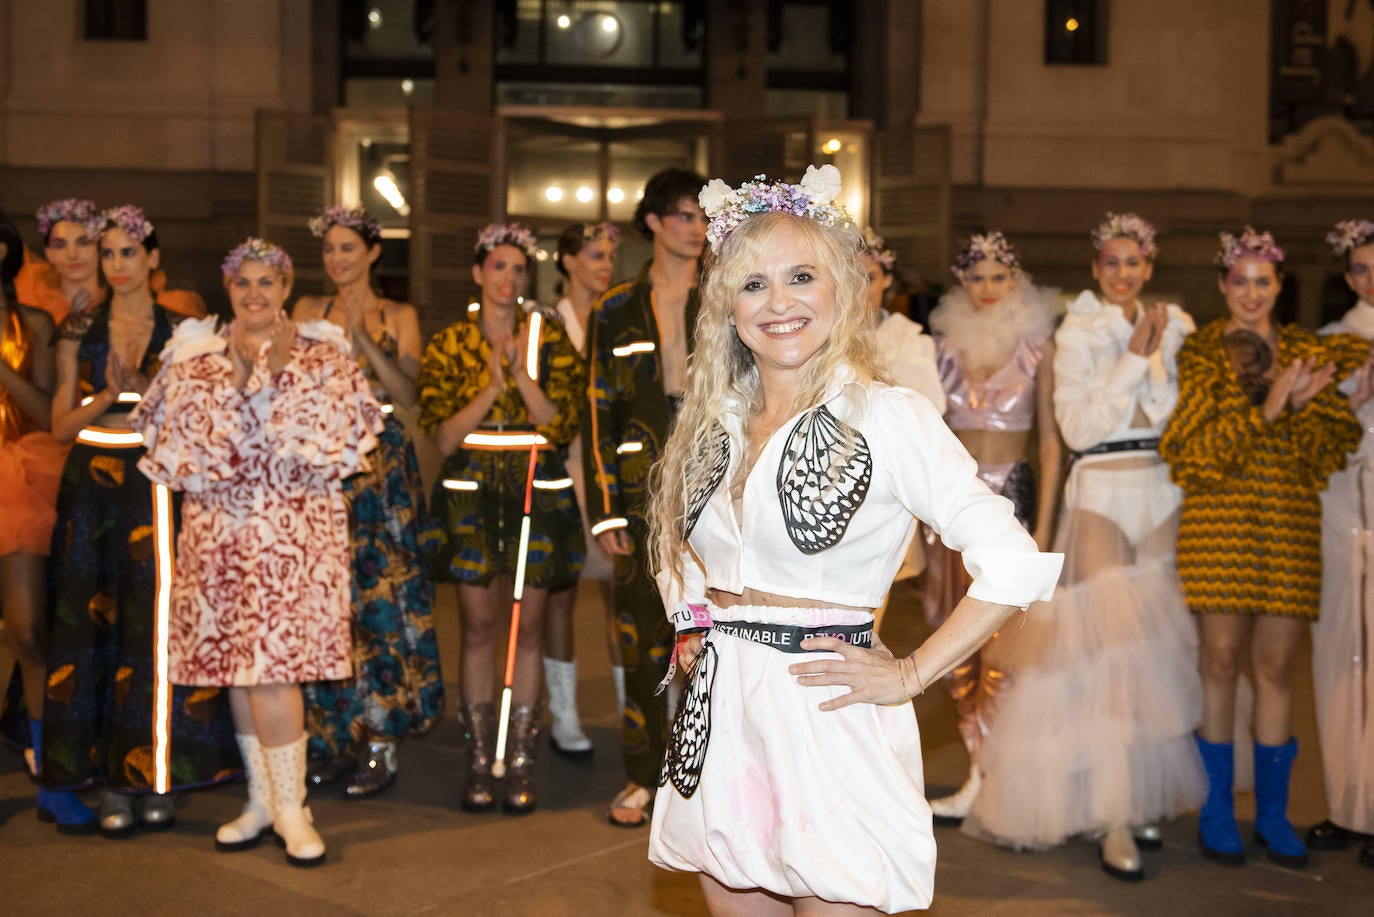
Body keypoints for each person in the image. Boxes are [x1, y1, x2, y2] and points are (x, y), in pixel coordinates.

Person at [645, 165, 1062, 914]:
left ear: (842, 286)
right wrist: (692, 622)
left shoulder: (889, 417)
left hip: (829, 718)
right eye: (752, 283)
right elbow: (678, 545)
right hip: (722, 723)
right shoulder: (713, 422)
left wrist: (910, 673)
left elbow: (1012, 561)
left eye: (800, 276)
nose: (778, 303)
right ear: (726, 307)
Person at [129, 236, 384, 867]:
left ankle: (294, 808)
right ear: (228, 289)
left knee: (274, 672)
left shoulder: (324, 356)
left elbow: (333, 444)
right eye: (242, 283)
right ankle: (263, 802)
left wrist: (265, 383)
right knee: (238, 675)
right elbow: (182, 455)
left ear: (286, 287)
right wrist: (238, 382)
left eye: (266, 282)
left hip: (293, 539)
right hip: (220, 538)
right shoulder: (194, 359)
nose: (254, 294)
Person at [966, 213, 1204, 881]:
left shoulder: (1175, 326)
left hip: (1158, 483)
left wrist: (1152, 354)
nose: (1122, 273)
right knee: (1108, 656)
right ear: (1095, 269)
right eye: (1110, 263)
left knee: (1152, 655)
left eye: (1133, 263)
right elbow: (1079, 425)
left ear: (1149, 268)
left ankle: (1136, 798)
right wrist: (1134, 357)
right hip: (1100, 485)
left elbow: (1167, 415)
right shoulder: (1079, 332)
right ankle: (1114, 816)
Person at [1161, 227, 1368, 870]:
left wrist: (1304, 405)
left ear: (1279, 286)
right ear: (1224, 285)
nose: (1252, 294)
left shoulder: (1309, 348)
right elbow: (1191, 452)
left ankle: (1274, 814)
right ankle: (1219, 810)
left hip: (1288, 522)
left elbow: (1333, 439)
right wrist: (1274, 404)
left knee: (1278, 668)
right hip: (1218, 522)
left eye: (1264, 281)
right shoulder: (1199, 352)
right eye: (1240, 281)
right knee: (1220, 662)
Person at [42, 205, 235, 838]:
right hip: (93, 490)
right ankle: (102, 783)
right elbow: (60, 425)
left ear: (153, 259)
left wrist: (152, 391)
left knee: (154, 632)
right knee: (88, 629)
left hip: (155, 489)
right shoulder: (79, 327)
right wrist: (105, 396)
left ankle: (154, 777)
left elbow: (203, 421)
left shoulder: (186, 331)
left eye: (130, 253)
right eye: (109, 254)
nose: (117, 265)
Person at [418, 223, 585, 814]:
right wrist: (490, 388)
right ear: (478, 273)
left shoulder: (549, 337)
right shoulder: (449, 343)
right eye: (498, 267)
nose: (508, 279)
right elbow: (441, 434)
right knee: (479, 626)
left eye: (518, 270)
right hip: (470, 490)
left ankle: (518, 759)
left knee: (528, 629)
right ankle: (477, 758)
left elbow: (562, 423)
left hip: (535, 488)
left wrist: (518, 376)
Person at [293, 206, 444, 797]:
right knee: (325, 601)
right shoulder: (306, 311)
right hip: (322, 463)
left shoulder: (399, 314)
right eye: (329, 250)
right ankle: (331, 737)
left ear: (372, 253)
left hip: (381, 463)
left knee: (380, 597)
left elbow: (408, 392)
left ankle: (381, 737)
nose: (337, 260)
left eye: (348, 249)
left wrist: (362, 344)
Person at [920, 231, 1060, 823]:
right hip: (951, 511)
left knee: (1003, 647)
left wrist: (1047, 528)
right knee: (952, 640)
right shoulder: (941, 347)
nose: (985, 289)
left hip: (1014, 505)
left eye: (997, 277)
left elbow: (1052, 444)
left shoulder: (1039, 348)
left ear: (1016, 281)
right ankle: (979, 763)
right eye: (974, 277)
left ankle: (990, 777)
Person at [584, 167, 707, 827]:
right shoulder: (615, 308)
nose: (698, 228)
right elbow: (596, 411)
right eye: (685, 215)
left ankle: (706, 774)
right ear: (655, 221)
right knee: (641, 633)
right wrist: (605, 507)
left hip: (719, 479)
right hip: (639, 487)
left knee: (720, 631)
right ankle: (641, 773)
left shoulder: (731, 293)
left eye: (704, 217)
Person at [544, 221, 620, 757]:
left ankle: (635, 709)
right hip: (558, 467)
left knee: (625, 597)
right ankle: (563, 713)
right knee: (559, 598)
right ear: (568, 260)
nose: (606, 264)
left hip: (608, 471)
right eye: (595, 254)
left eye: (610, 255)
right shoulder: (548, 321)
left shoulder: (619, 315)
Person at [1311, 219, 1374, 869]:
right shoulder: (1330, 344)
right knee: (1337, 657)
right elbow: (1317, 439)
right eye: (1359, 270)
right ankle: (1347, 804)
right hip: (1338, 511)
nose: (1370, 280)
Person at [0, 211, 68, 799]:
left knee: (27, 631)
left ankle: (50, 768)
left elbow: (48, 413)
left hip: (19, 481)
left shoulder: (36, 322)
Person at [14, 198, 106, 325]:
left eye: (83, 243)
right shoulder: (31, 300)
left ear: (99, 248)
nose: (72, 255)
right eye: (60, 245)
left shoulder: (117, 300)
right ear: (49, 254)